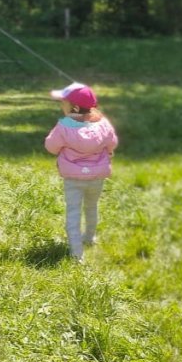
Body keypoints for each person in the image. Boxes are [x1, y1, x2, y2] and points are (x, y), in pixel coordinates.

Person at [45, 83, 119, 262]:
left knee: (73, 212)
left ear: (74, 107)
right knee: (91, 206)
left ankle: (77, 253)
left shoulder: (63, 127)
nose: (62, 105)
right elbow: (113, 142)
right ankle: (90, 237)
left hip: (73, 178)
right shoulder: (102, 123)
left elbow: (51, 147)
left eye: (64, 102)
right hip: (97, 177)